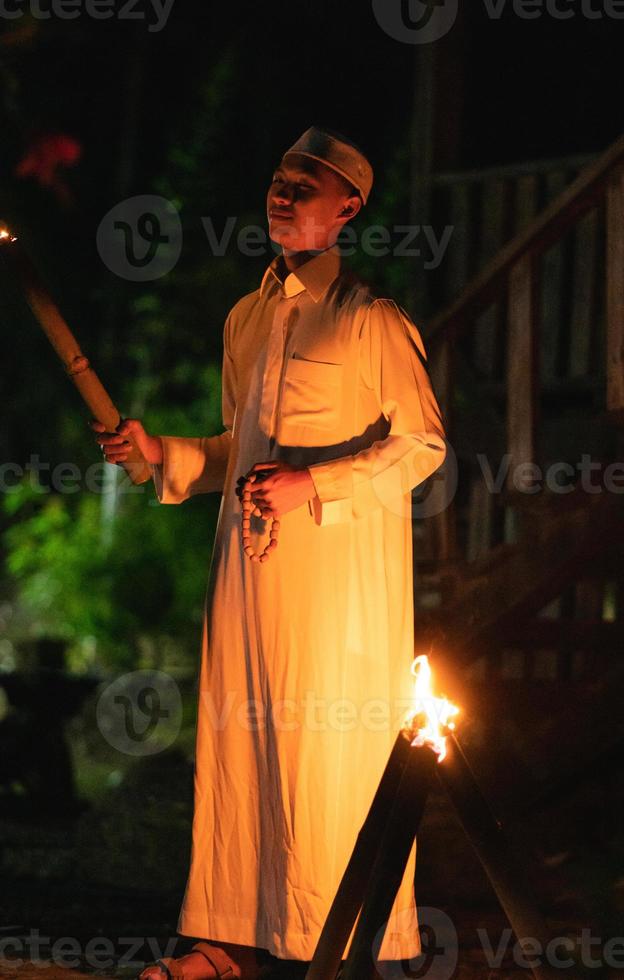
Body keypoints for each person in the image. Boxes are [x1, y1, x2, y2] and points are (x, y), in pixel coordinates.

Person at [92, 126, 447, 980]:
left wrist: (313, 485)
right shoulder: (247, 317)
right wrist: (160, 454)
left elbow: (423, 446)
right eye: (279, 179)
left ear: (347, 208)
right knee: (240, 744)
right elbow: (234, 448)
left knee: (324, 752)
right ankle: (229, 942)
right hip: (249, 577)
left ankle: (334, 942)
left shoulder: (371, 320)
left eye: (304, 184)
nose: (282, 193)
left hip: (335, 583)